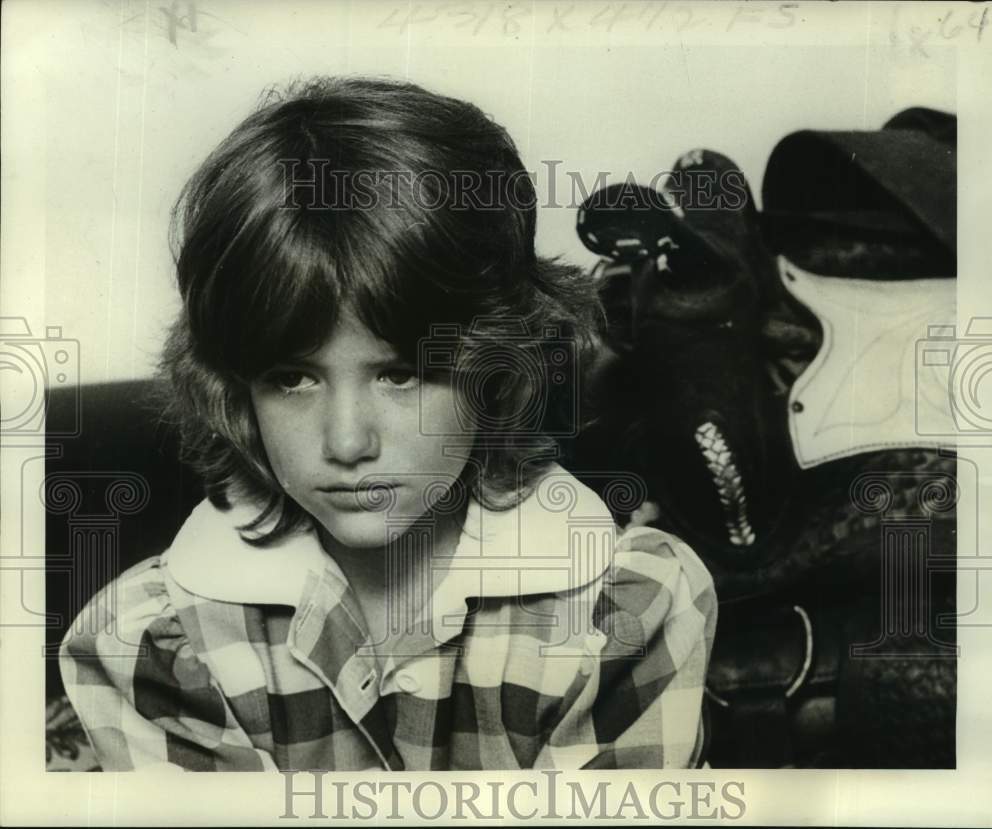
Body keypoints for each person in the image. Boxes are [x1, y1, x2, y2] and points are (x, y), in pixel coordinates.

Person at [59, 76, 716, 771]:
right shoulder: (151, 642)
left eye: (401, 373)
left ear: (499, 366)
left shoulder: (628, 609)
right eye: (292, 378)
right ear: (235, 385)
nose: (347, 442)